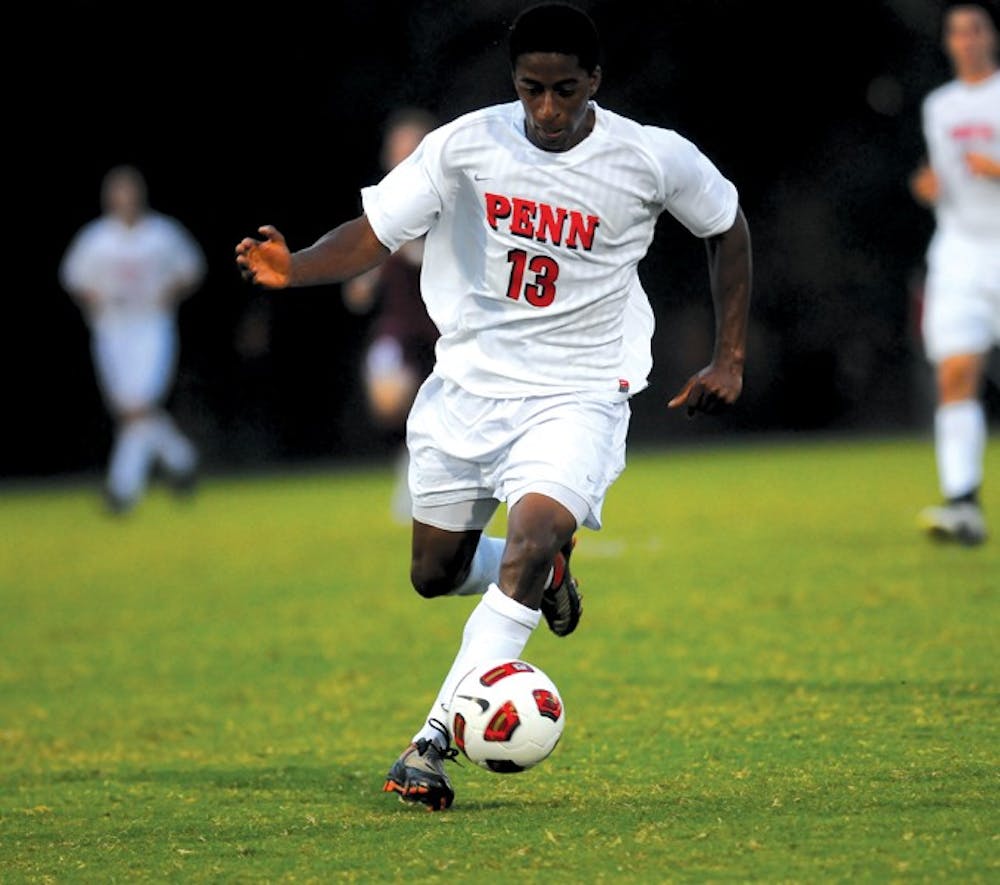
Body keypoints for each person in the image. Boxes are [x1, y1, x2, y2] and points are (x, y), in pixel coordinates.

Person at [235, 1, 752, 810]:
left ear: (596, 83)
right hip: (468, 391)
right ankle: (544, 577)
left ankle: (430, 740)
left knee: (537, 530)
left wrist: (729, 355)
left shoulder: (651, 158)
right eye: (531, 89)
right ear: (515, 82)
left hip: (578, 394)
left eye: (565, 90)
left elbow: (726, 224)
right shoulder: (463, 147)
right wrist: (293, 267)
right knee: (434, 572)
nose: (547, 109)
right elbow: (375, 231)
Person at [60, 164, 207, 514]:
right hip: (112, 330)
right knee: (129, 410)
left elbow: (191, 269)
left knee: (138, 406)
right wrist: (95, 296)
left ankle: (121, 490)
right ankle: (181, 458)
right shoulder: (95, 238)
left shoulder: (161, 234)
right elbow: (74, 278)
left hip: (152, 327)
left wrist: (169, 291)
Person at [909, 0, 1000, 546]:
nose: (966, 39)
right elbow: (941, 175)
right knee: (955, 373)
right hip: (960, 253)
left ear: (991, 36)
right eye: (956, 32)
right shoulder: (939, 106)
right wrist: (930, 190)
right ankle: (962, 501)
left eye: (975, 29)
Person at [342, 107, 441, 523]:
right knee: (387, 398)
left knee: (450, 415)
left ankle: (435, 478)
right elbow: (358, 286)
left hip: (446, 325)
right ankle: (410, 457)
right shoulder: (380, 205)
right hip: (400, 326)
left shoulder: (448, 199)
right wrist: (363, 278)